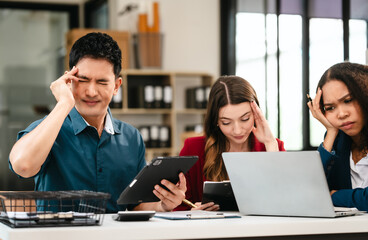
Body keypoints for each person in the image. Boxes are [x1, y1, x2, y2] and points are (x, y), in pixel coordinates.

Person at [8, 32, 186, 213]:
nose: (91, 92)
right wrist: (64, 103)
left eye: (101, 82)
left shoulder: (132, 138)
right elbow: (23, 166)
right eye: (83, 80)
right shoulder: (49, 129)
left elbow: (135, 205)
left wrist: (162, 205)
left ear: (116, 86)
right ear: (69, 80)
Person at [175, 76, 285, 211]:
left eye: (245, 119)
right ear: (215, 120)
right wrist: (192, 212)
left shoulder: (273, 147)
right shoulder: (194, 148)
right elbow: (178, 206)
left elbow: (286, 200)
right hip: (211, 231)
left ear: (256, 114)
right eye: (226, 122)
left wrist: (270, 143)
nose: (238, 130)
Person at [307, 62, 368, 211]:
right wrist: (331, 131)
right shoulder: (338, 140)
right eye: (330, 108)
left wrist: (335, 196)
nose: (341, 114)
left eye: (348, 101)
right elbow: (311, 191)